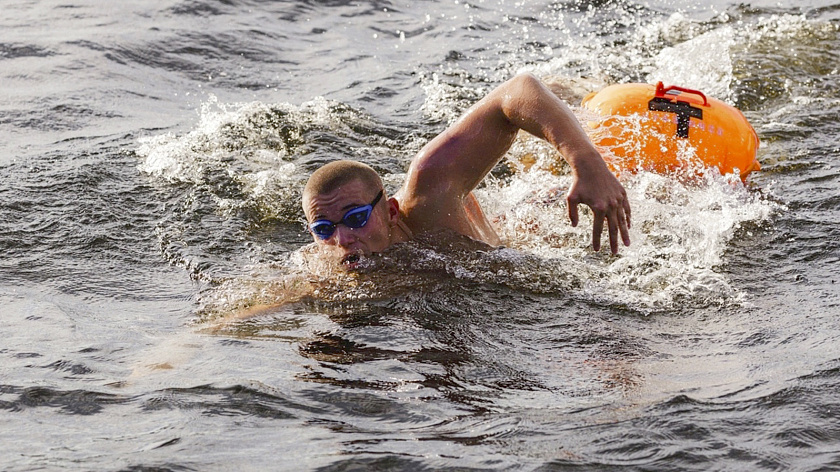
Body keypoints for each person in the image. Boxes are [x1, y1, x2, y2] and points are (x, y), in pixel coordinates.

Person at [303, 73, 631, 269]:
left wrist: (589, 166)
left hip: (534, 226)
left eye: (356, 217)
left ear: (391, 211)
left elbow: (518, 90)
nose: (342, 239)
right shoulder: (322, 265)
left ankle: (580, 98)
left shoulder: (429, 189)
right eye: (322, 229)